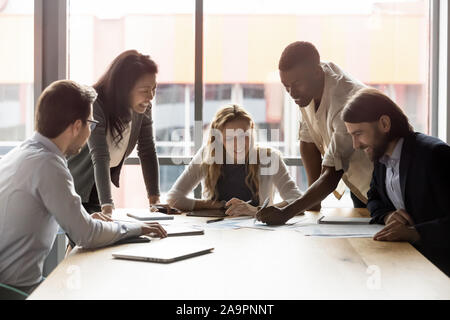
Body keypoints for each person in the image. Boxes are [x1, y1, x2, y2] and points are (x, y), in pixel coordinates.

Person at [0, 80, 167, 298]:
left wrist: (86, 220)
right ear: (76, 126)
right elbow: (85, 235)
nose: (91, 132)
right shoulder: (49, 165)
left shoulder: (21, 153)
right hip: (17, 292)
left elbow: (33, 221)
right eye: (90, 124)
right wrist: (136, 228)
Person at [257, 41, 373, 225]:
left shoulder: (345, 102)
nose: (292, 93)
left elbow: (331, 174)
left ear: (317, 73)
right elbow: (308, 141)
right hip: (359, 186)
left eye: (296, 84)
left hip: (384, 185)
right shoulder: (309, 84)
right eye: (286, 86)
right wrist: (313, 204)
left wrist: (286, 213)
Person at [342, 87, 450, 276]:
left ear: (384, 123)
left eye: (358, 133)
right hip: (409, 261)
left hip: (440, 267)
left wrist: (416, 233)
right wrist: (388, 216)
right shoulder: (382, 159)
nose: (356, 145)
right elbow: (373, 198)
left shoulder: (434, 155)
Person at [68, 50, 160, 217]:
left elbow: (147, 150)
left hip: (98, 184)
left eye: (154, 89)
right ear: (124, 88)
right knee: (92, 237)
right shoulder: (95, 102)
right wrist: (108, 207)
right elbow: (100, 155)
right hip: (78, 184)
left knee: (95, 237)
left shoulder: (143, 107)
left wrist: (155, 201)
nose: (151, 96)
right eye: (145, 90)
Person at [167, 105, 302, 216]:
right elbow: (173, 198)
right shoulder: (207, 155)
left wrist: (255, 210)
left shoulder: (269, 157)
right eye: (231, 138)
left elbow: (297, 199)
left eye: (245, 135)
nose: (240, 144)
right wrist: (213, 205)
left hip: (258, 233)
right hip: (215, 230)